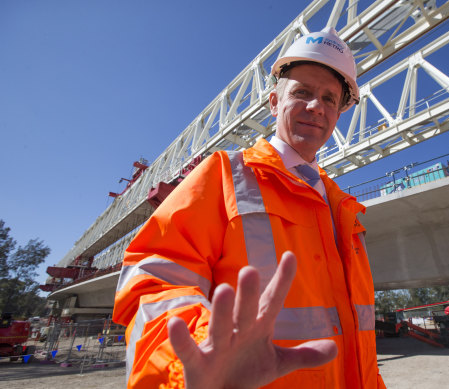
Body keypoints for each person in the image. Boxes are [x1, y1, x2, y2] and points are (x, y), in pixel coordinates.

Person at [113, 27, 386, 389]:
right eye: (301, 92)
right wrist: (198, 356)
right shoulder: (225, 175)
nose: (316, 106)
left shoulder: (344, 210)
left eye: (329, 99)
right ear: (274, 102)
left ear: (338, 113)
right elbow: (154, 282)